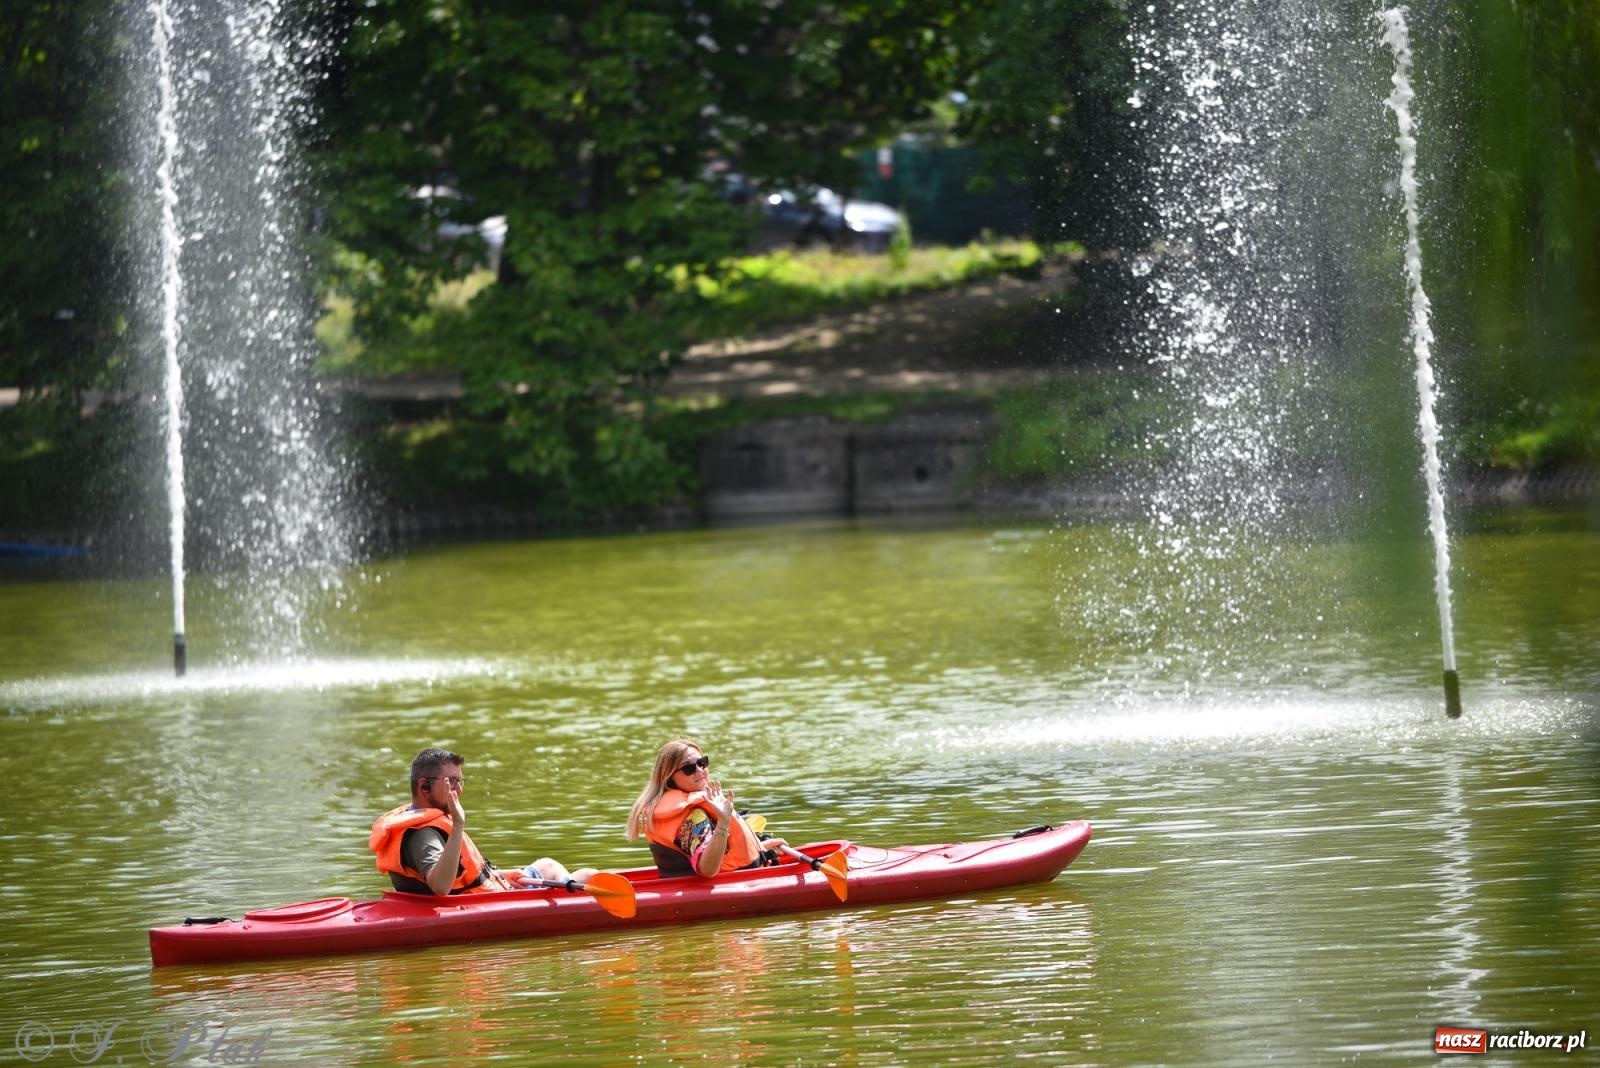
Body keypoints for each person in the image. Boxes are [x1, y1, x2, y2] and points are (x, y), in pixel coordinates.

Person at [370, 747, 595, 895]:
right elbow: (440, 887)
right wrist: (458, 825)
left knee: (549, 866)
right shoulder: (423, 834)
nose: (459, 789)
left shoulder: (421, 819)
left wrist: (499, 875)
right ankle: (574, 902)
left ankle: (571, 895)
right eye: (451, 782)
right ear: (423, 786)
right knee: (589, 877)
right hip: (485, 901)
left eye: (460, 781)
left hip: (493, 887)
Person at [625, 738, 786, 878]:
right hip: (716, 889)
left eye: (702, 762)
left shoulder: (682, 805)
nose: (700, 770)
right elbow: (707, 870)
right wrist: (723, 822)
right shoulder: (693, 816)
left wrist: (761, 848)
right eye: (689, 768)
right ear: (669, 779)